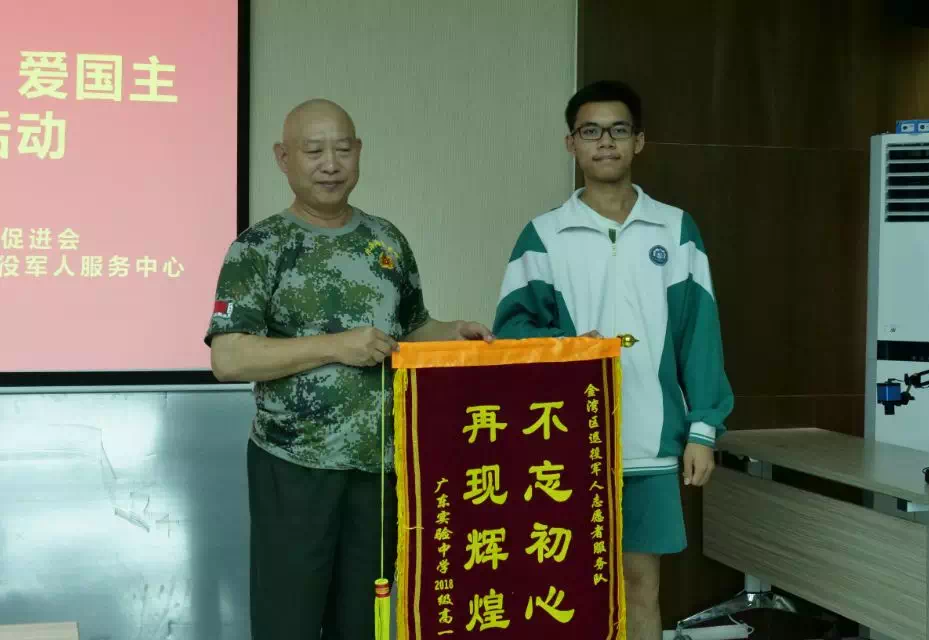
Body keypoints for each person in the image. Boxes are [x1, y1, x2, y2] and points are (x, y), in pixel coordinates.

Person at [204, 98, 493, 640]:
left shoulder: (386, 239)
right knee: (288, 622)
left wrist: (453, 332)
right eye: (314, 151)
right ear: (283, 158)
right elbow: (229, 357)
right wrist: (335, 346)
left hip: (380, 469)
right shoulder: (259, 247)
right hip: (294, 465)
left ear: (359, 152)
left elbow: (410, 328)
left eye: (342, 149)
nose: (330, 164)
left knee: (365, 622)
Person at [492, 80, 734, 640]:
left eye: (618, 130)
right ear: (571, 143)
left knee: (640, 584)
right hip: (566, 443)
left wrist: (703, 431)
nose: (605, 142)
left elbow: (701, 338)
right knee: (566, 583)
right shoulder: (544, 235)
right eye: (591, 131)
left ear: (639, 141)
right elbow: (512, 332)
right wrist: (574, 346)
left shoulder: (675, 230)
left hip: (650, 442)